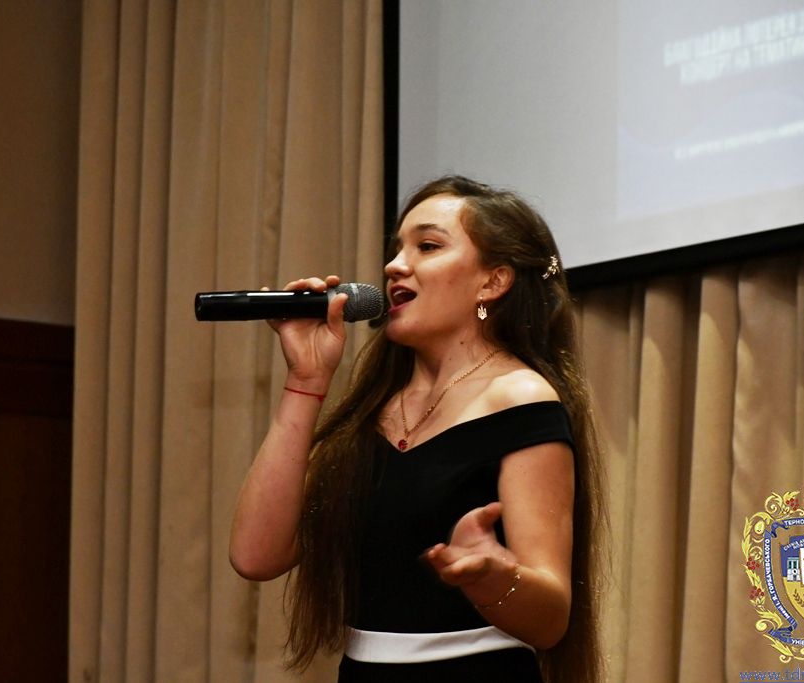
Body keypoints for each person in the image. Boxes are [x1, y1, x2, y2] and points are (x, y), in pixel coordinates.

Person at [229, 175, 604, 683]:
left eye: (427, 246)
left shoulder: (520, 397)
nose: (393, 266)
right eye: (397, 249)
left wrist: (495, 577)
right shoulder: (371, 411)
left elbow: (551, 618)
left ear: (493, 282)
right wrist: (306, 380)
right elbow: (256, 555)